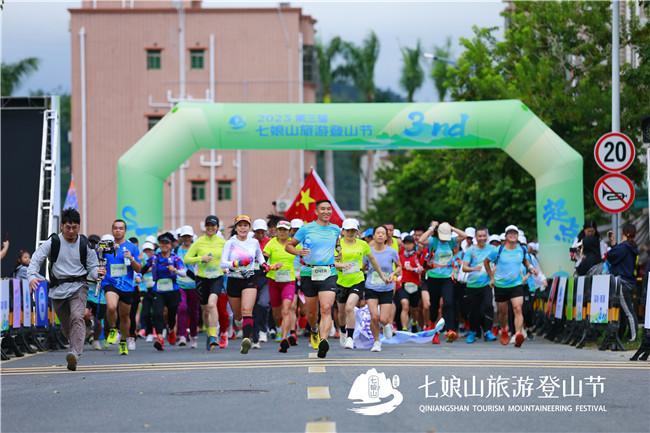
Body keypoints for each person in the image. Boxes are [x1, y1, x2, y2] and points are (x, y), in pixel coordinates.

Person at [27, 208, 101, 370]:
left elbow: (93, 267)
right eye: (68, 227)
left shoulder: (85, 244)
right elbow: (36, 259)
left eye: (75, 227)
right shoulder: (53, 242)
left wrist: (98, 273)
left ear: (79, 227)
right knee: (67, 326)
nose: (71, 231)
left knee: (76, 316)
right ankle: (82, 335)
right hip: (57, 289)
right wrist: (32, 276)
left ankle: (74, 353)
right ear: (61, 226)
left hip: (78, 287)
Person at [286, 200, 341, 359]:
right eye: (323, 209)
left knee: (326, 307)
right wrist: (298, 252)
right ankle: (314, 329)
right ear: (316, 211)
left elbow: (337, 246)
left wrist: (338, 253)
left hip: (328, 272)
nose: (326, 211)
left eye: (329, 209)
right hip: (308, 273)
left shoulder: (335, 229)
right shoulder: (306, 229)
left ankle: (323, 340)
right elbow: (289, 246)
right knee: (311, 312)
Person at [484, 225, 538, 348]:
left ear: (518, 236)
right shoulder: (498, 250)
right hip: (501, 285)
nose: (512, 235)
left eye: (515, 233)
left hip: (516, 284)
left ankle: (518, 334)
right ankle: (504, 329)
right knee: (503, 313)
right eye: (510, 233)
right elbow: (486, 262)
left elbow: (525, 261)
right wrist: (491, 277)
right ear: (506, 236)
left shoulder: (522, 249)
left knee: (518, 308)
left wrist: (530, 268)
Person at [335, 218, 384, 350]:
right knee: (341, 313)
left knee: (350, 307)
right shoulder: (337, 245)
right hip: (340, 282)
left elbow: (372, 260)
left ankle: (350, 338)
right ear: (343, 231)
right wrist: (342, 265)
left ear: (357, 232)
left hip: (357, 280)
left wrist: (381, 274)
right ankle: (343, 331)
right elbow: (333, 263)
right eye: (348, 230)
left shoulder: (362, 244)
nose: (351, 233)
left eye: (353, 230)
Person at [221, 215, 266, 354]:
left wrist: (265, 265)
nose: (242, 228)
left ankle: (246, 340)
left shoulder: (254, 242)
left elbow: (260, 257)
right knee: (238, 316)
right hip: (234, 279)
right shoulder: (230, 243)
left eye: (245, 225)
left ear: (249, 227)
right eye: (240, 225)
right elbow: (222, 263)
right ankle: (240, 324)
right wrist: (237, 263)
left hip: (249, 279)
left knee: (247, 310)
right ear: (236, 228)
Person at [419, 221, 467, 343]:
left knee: (448, 303)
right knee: (434, 305)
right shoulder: (433, 241)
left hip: (447, 277)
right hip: (433, 277)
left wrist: (451, 228)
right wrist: (432, 228)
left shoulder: (451, 241)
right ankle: (432, 327)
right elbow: (421, 240)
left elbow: (465, 236)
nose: (445, 239)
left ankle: (450, 330)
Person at [184, 215, 226, 350]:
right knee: (205, 310)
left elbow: (229, 257)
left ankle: (214, 335)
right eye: (208, 225)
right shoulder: (199, 242)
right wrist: (201, 258)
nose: (210, 228)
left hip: (217, 277)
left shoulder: (222, 242)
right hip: (202, 278)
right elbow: (187, 259)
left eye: (213, 225)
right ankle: (209, 332)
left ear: (217, 227)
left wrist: (228, 266)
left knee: (212, 304)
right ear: (204, 227)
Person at [101, 219, 141, 355]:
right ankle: (113, 329)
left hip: (127, 286)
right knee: (111, 307)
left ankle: (123, 341)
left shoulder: (132, 247)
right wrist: (99, 270)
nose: (118, 230)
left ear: (125, 231)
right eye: (115, 228)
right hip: (110, 283)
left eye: (121, 228)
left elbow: (139, 268)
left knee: (125, 317)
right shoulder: (105, 247)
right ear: (112, 230)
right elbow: (97, 262)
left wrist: (131, 259)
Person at [141, 232, 186, 351]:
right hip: (159, 291)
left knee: (171, 315)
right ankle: (160, 338)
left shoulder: (175, 258)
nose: (164, 245)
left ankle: (171, 330)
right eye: (162, 243)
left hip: (173, 291)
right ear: (159, 245)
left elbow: (184, 272)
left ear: (170, 245)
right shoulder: (155, 258)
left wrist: (175, 270)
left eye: (166, 243)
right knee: (157, 313)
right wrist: (138, 275)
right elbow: (143, 268)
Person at [263, 220, 297, 352]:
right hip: (274, 281)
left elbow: (304, 257)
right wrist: (272, 266)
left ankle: (284, 338)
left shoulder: (293, 243)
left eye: (285, 230)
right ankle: (279, 328)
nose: (282, 232)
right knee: (277, 314)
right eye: (280, 230)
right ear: (276, 231)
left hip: (289, 281)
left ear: (289, 232)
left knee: (286, 310)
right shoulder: (271, 243)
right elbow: (264, 262)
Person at [364, 226, 400, 352]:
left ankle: (386, 324)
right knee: (374, 316)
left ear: (386, 237)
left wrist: (393, 274)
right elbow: (363, 267)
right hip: (371, 287)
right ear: (373, 236)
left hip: (386, 288)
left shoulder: (391, 252)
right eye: (378, 233)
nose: (380, 235)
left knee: (383, 319)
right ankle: (376, 341)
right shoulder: (368, 251)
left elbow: (399, 267)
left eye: (383, 233)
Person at [462, 228, 497, 343]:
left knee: (488, 306)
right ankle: (473, 332)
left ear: (487, 236)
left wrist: (493, 274)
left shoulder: (493, 249)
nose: (482, 238)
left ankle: (488, 331)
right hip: (472, 285)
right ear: (475, 237)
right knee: (473, 310)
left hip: (486, 284)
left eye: (484, 236)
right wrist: (474, 268)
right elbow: (464, 267)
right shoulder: (470, 250)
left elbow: (498, 263)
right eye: (479, 236)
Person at [606, 223, 639, 342]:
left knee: (628, 312)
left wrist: (612, 246)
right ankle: (626, 335)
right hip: (629, 282)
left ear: (626, 233)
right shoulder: (631, 247)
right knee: (626, 311)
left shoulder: (624, 247)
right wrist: (614, 243)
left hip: (622, 283)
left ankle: (634, 337)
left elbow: (611, 256)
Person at [175, 225, 200, 347]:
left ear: (191, 237)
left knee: (194, 311)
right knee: (182, 308)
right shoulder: (176, 250)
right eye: (184, 236)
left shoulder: (197, 249)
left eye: (188, 236)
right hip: (180, 284)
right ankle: (182, 335)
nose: (186, 238)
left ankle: (194, 335)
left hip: (194, 285)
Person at [397, 235, 424, 332]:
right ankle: (404, 328)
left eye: (410, 243)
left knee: (414, 308)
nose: (408, 246)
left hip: (415, 285)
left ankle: (414, 322)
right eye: (406, 243)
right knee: (405, 305)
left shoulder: (416, 256)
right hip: (403, 284)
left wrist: (414, 269)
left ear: (413, 244)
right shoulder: (400, 256)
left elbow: (420, 269)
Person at [252, 218, 271, 346]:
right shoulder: (249, 242)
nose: (260, 234)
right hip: (251, 277)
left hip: (266, 277)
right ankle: (257, 333)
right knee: (253, 307)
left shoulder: (270, 242)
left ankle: (264, 329)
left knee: (263, 304)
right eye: (257, 232)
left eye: (262, 232)